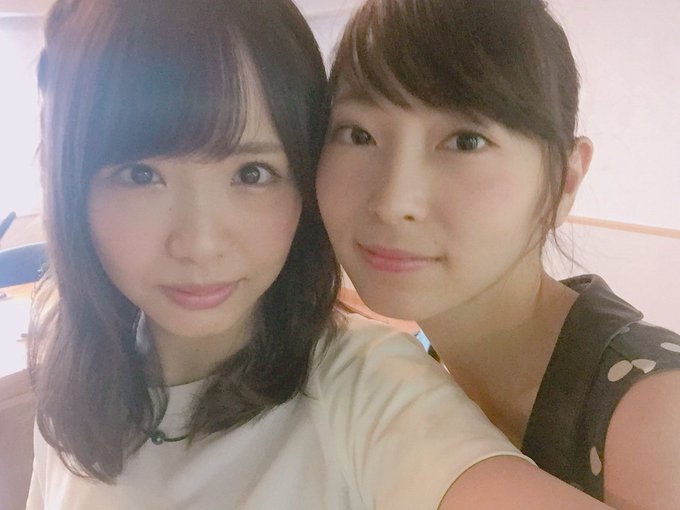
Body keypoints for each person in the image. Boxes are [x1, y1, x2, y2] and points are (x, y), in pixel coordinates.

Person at [26, 0, 614, 509]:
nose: (200, 244)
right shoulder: (72, 362)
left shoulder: (365, 389)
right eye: (140, 174)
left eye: (252, 173)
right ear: (71, 184)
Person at [316, 0, 680, 508]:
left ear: (565, 180)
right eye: (359, 135)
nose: (394, 202)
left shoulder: (655, 414)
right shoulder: (411, 369)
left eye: (466, 141)